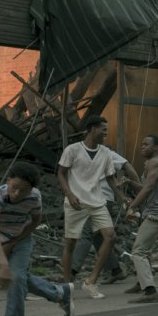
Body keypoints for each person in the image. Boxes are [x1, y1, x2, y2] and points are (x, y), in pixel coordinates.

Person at [0, 162, 74, 316]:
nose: (16, 194)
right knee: (18, 277)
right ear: (8, 181)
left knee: (16, 280)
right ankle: (60, 293)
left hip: (22, 240)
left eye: (22, 190)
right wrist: (3, 262)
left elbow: (35, 221)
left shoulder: (34, 197)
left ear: (31, 190)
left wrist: (15, 243)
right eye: (14, 187)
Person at [58, 115, 129, 300]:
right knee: (71, 243)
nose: (106, 133)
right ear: (92, 129)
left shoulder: (105, 153)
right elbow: (61, 173)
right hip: (76, 202)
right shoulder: (72, 150)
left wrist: (122, 197)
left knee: (110, 236)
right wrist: (69, 194)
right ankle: (67, 286)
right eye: (103, 129)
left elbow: (110, 178)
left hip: (97, 202)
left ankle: (91, 281)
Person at [123, 135, 158, 303]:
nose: (142, 147)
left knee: (138, 251)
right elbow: (147, 187)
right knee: (145, 250)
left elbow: (149, 187)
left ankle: (150, 291)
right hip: (155, 213)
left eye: (146, 145)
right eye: (141, 144)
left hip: (156, 215)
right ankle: (141, 282)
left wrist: (132, 206)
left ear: (156, 148)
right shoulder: (154, 163)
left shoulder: (154, 163)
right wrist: (129, 182)